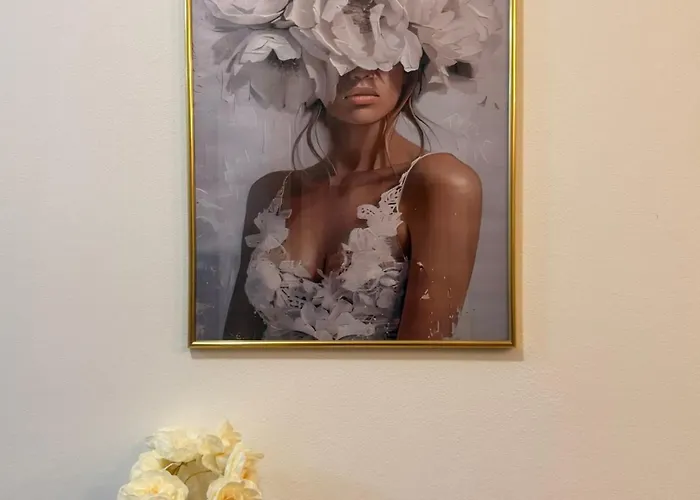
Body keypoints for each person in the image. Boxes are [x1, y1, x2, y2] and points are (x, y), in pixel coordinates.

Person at [223, 58, 483, 341]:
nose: (361, 71)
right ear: (301, 63)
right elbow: (235, 347)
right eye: (338, 53)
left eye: (381, 52)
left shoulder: (440, 183)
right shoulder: (270, 192)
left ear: (409, 64)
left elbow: (424, 358)